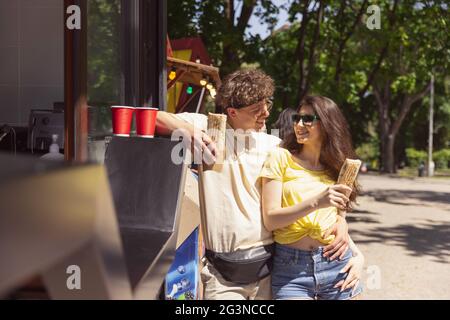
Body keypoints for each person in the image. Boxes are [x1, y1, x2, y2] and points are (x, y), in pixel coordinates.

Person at [155, 70, 354, 300]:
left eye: (267, 105)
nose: (266, 113)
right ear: (232, 112)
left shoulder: (275, 145)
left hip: (269, 272)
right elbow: (153, 117)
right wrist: (189, 132)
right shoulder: (209, 128)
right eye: (256, 110)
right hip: (223, 277)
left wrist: (342, 221)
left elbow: (316, 184)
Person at [260, 95, 364, 300]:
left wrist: (359, 256)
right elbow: (271, 220)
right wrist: (317, 201)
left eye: (308, 119)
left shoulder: (338, 168)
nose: (299, 124)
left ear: (326, 123)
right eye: (297, 118)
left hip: (337, 265)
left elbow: (338, 219)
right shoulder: (280, 157)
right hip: (292, 271)